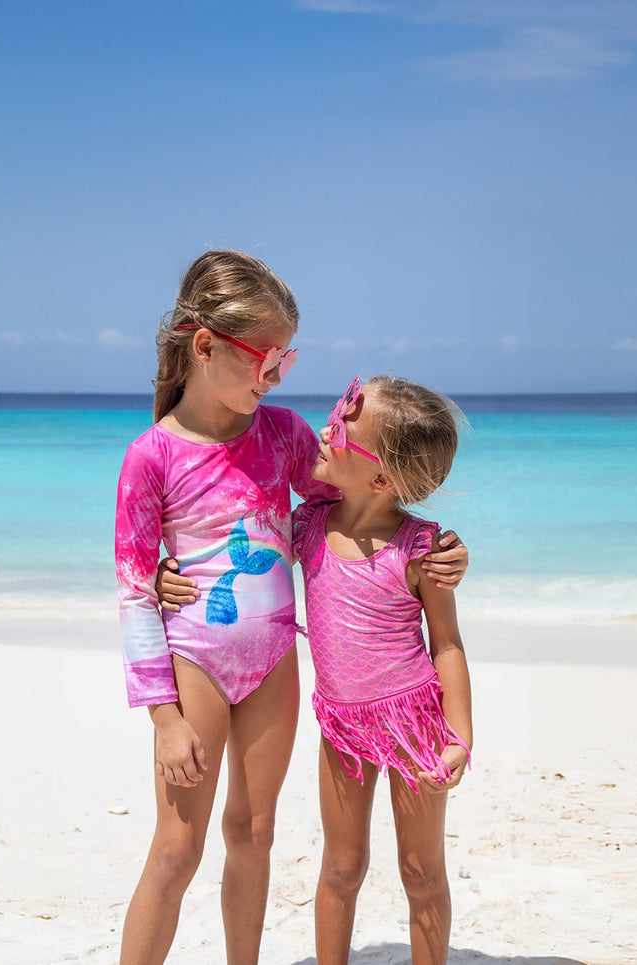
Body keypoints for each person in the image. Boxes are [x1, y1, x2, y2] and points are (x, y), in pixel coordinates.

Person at [114, 250, 468, 965]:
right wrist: (163, 716)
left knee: (254, 832)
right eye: (266, 361)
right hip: (197, 665)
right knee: (178, 848)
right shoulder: (150, 457)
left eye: (286, 362)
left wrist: (440, 552)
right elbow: (131, 593)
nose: (276, 379)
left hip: (275, 661)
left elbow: (364, 494)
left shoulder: (280, 437)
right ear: (206, 345)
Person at [293, 375, 473, 965]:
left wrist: (460, 737)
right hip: (340, 724)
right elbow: (233, 540)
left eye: (343, 427)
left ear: (379, 478)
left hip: (415, 720)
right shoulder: (307, 526)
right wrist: (169, 572)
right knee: (341, 866)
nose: (326, 430)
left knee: (420, 871)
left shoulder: (420, 549)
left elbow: (446, 645)